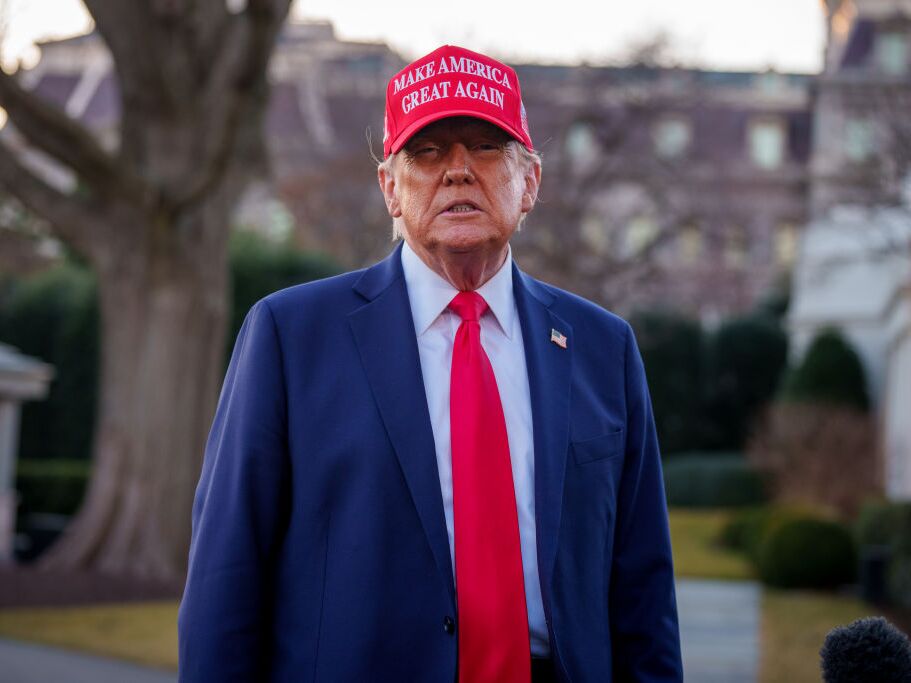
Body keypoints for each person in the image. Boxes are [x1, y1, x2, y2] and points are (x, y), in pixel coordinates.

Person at [178, 44, 682, 682]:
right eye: (428, 151)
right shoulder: (290, 335)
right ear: (390, 188)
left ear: (530, 183)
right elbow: (228, 571)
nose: (459, 170)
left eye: (485, 146)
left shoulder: (603, 347)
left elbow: (643, 587)